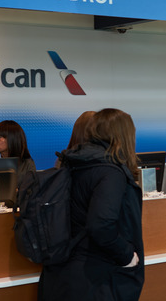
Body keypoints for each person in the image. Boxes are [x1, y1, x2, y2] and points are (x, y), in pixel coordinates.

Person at [38, 108, 144, 300]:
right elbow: (101, 225)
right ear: (124, 136)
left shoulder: (72, 163)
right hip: (95, 278)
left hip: (61, 271)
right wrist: (127, 256)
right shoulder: (110, 172)